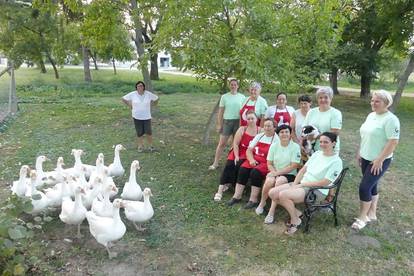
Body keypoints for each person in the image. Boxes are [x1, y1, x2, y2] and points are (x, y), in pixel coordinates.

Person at [266, 132, 343, 234]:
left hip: (317, 190)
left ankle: (295, 220)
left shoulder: (336, 161)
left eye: (326, 142)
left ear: (333, 143)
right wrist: (294, 184)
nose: (322, 144)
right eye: (321, 142)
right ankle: (298, 214)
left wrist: (302, 185)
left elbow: (325, 182)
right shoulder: (316, 154)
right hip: (302, 184)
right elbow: (302, 170)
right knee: (272, 193)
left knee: (283, 195)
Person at [352, 90, 400, 230]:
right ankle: (372, 213)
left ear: (386, 103)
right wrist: (360, 152)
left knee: (364, 187)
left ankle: (362, 217)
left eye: (377, 101)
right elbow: (365, 135)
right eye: (372, 100)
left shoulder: (391, 119)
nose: (373, 103)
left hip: (379, 160)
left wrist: (379, 160)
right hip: (366, 157)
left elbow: (393, 142)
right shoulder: (371, 115)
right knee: (372, 185)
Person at [227, 119, 279, 209]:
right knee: (243, 169)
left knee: (256, 172)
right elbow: (249, 150)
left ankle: (253, 199)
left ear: (274, 128)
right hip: (254, 159)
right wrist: (251, 160)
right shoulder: (259, 136)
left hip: (266, 162)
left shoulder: (276, 140)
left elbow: (275, 157)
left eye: (269, 126)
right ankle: (237, 196)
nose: (266, 128)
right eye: (265, 126)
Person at [255, 124, 301, 215]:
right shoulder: (274, 146)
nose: (284, 134)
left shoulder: (295, 147)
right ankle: (262, 202)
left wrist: (276, 174)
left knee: (279, 181)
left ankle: (271, 211)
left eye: (287, 132)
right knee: (269, 182)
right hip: (274, 171)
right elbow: (269, 163)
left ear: (290, 133)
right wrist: (274, 173)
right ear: (278, 134)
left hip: (289, 174)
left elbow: (293, 166)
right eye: (282, 132)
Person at [213, 110, 259, 201]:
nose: (250, 120)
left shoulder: (260, 130)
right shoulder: (242, 129)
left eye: (252, 118)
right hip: (239, 151)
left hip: (250, 154)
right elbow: (236, 144)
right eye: (248, 118)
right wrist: (237, 156)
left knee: (241, 166)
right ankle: (220, 190)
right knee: (229, 164)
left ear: (256, 119)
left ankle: (234, 185)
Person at [209, 79, 246, 170]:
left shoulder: (243, 97)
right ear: (230, 86)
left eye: (235, 85)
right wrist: (219, 124)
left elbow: (244, 111)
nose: (233, 86)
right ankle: (215, 163)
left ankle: (231, 163)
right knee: (222, 143)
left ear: (238, 86)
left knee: (234, 144)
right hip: (227, 122)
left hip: (238, 122)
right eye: (231, 85)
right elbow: (221, 112)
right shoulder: (224, 97)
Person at [302, 87, 342, 153]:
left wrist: (316, 137)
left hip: (329, 150)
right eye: (320, 98)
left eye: (326, 97)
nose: (323, 100)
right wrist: (304, 141)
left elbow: (335, 132)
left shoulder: (336, 113)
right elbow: (304, 127)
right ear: (317, 99)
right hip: (312, 149)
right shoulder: (311, 112)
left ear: (331, 98)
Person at [122, 81, 159, 152]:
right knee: (139, 132)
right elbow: (123, 99)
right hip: (136, 116)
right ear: (136, 87)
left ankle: (151, 146)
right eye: (138, 86)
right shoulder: (133, 94)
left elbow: (156, 98)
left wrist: (152, 105)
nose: (140, 87)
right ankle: (140, 146)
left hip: (146, 116)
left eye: (141, 86)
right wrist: (130, 105)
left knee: (148, 132)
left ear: (144, 87)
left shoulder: (148, 94)